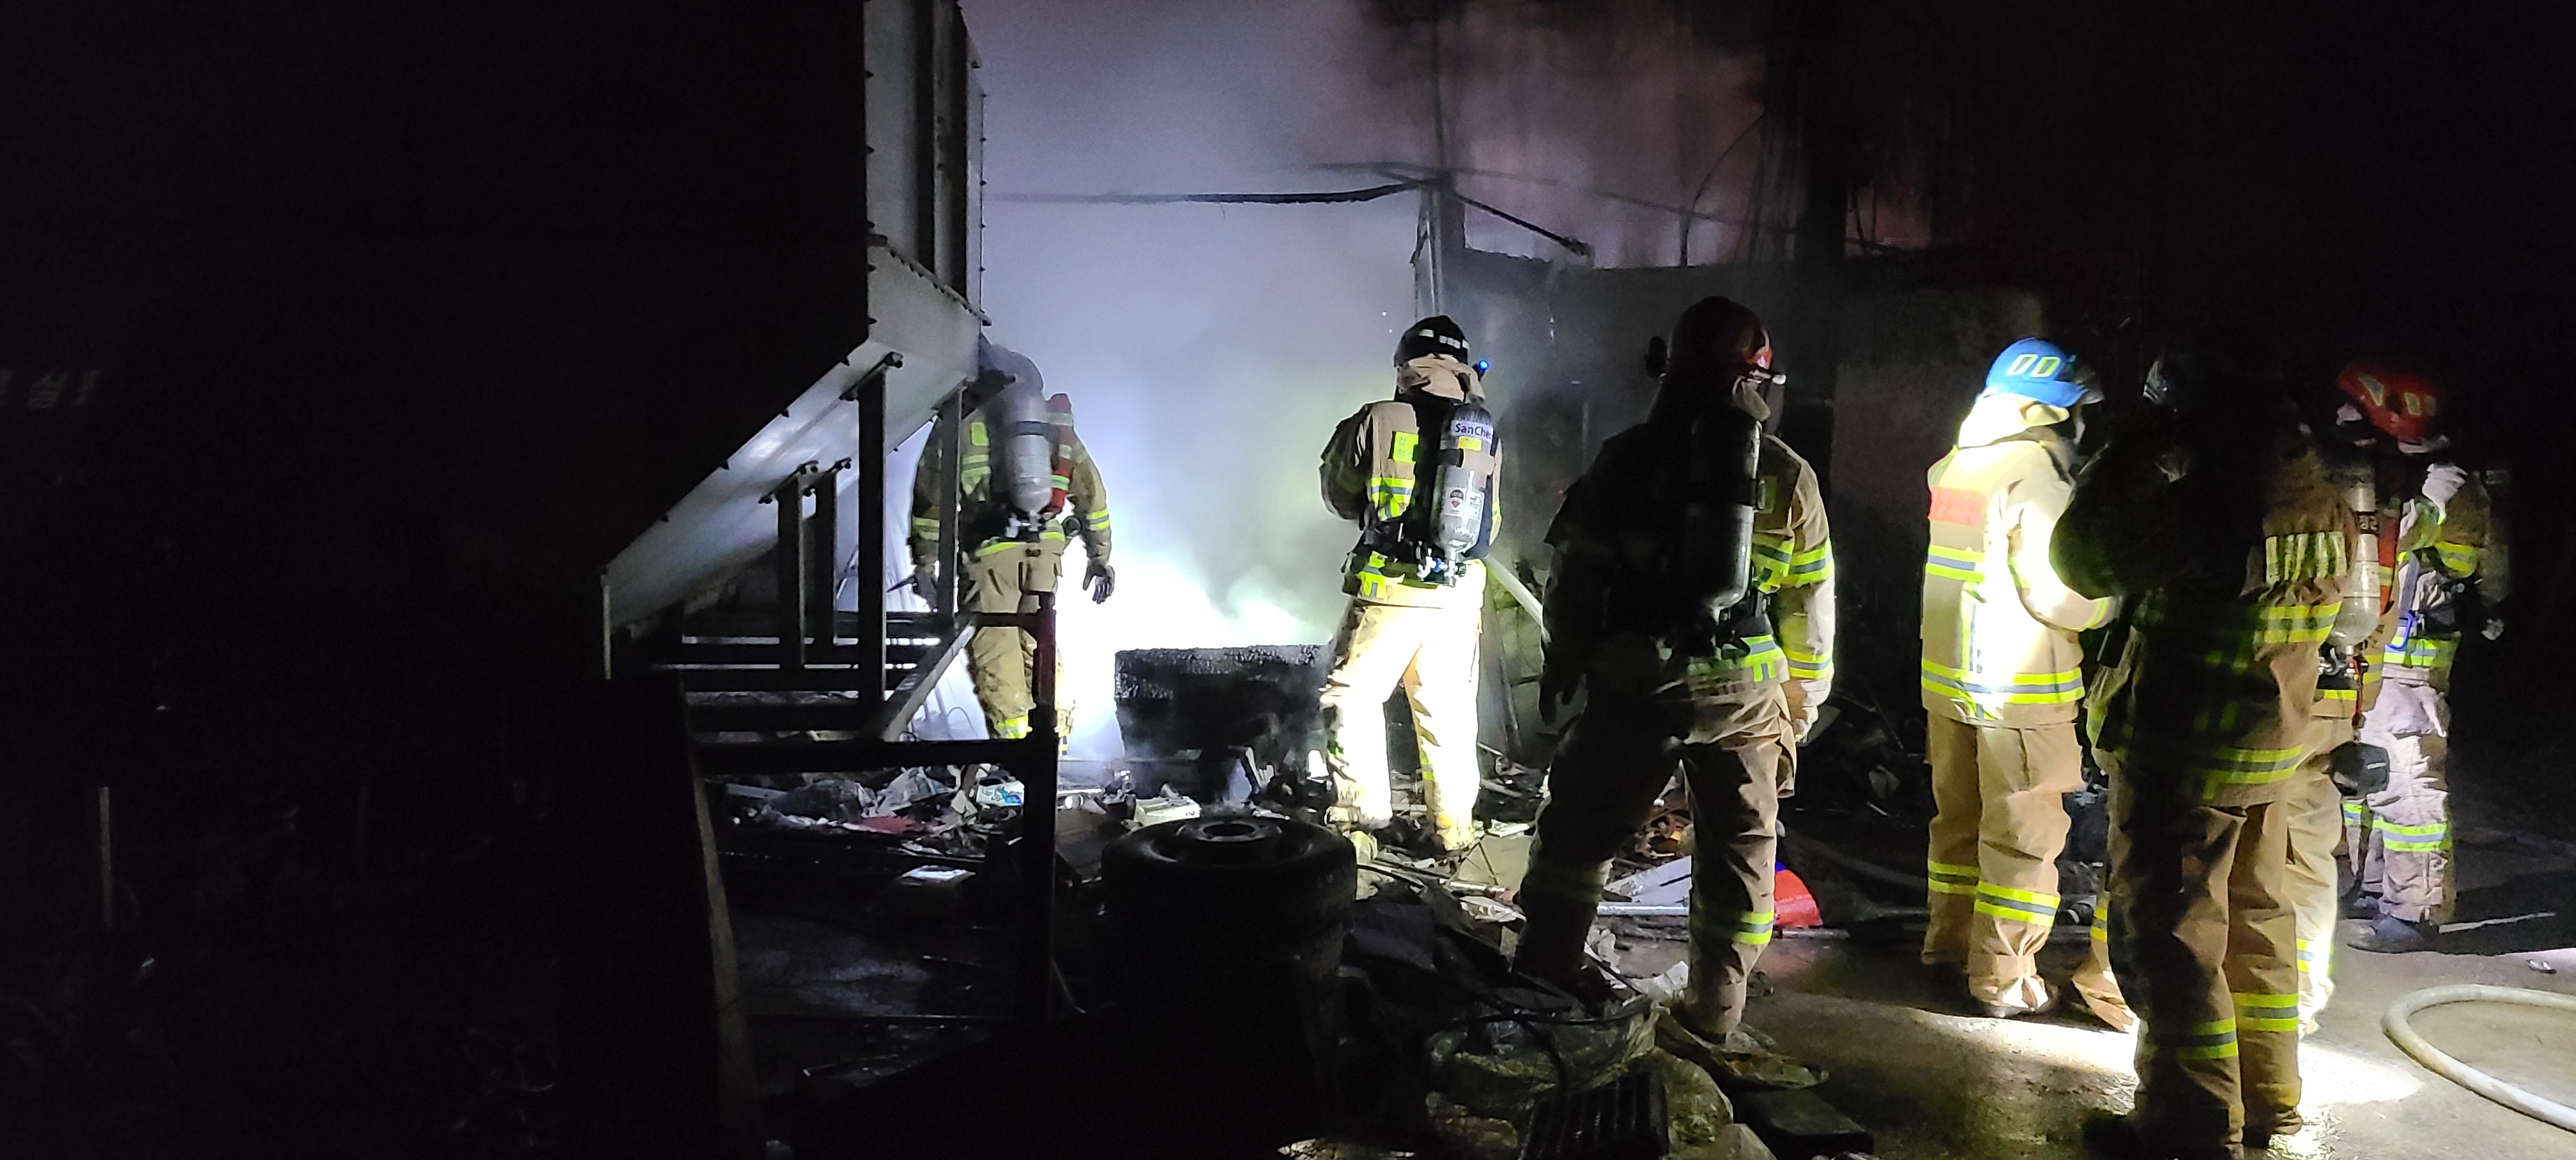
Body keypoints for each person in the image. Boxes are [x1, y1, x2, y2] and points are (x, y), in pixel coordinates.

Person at [1513, 296, 1834, 1079]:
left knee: (1579, 836)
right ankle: (1716, 1009)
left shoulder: (1625, 459)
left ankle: (1544, 979)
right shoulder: (1787, 474)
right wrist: (1803, 700)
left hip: (1637, 682)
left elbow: (1575, 576)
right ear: (1756, 379)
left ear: (1671, 370)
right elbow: (1808, 603)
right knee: (1740, 852)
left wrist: (1565, 659)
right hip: (1745, 695)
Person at [2055, 344, 2356, 1159]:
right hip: (2270, 746)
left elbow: (2080, 558)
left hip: (2186, 751)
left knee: (2175, 940)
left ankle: (2188, 1125)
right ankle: (2267, 1098)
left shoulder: (2212, 508)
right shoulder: (2320, 498)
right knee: (2258, 922)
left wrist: (2135, 449)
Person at [1917, 339, 2115, 1019]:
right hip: (2018, 693)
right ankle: (2004, 978)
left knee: (1959, 825)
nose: (2080, 421)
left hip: (1949, 684)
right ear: (2043, 409)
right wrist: (2110, 605)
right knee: (2022, 838)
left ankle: (1949, 946)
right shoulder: (2034, 474)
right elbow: (2058, 592)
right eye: (2075, 408)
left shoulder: (1959, 465)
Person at [2333, 360, 2506, 954]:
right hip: (2377, 652)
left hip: (2414, 659)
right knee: (2369, 775)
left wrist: (2351, 484)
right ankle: (2374, 885)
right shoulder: (2404, 474)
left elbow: (2400, 532)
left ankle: (2415, 910)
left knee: (2408, 778)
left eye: (2356, 416)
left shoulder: (2448, 483)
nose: (2343, 423)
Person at [1315, 316, 1501, 856]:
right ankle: (1453, 829)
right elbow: (1490, 526)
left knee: (1350, 694)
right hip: (1459, 589)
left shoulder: (1379, 417)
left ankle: (1360, 821)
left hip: (1391, 584)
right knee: (1446, 708)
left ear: (1405, 366)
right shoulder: (1485, 431)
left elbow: (1339, 495)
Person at [907, 339, 1114, 742]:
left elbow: (932, 500)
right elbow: (1092, 494)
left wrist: (925, 562)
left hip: (991, 558)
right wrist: (1099, 556)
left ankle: (1016, 752)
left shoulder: (960, 422)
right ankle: (1056, 739)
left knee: (995, 649)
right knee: (1041, 643)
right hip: (1046, 552)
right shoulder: (1052, 426)